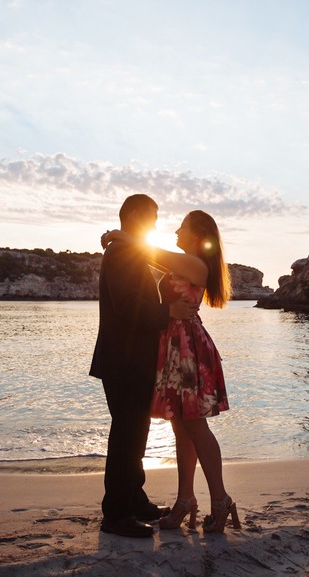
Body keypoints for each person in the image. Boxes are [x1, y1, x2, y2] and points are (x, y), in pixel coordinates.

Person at [102, 210, 240, 534]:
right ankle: (185, 498)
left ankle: (220, 500)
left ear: (197, 234)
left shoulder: (195, 264)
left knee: (196, 425)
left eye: (182, 227)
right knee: (181, 426)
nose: (176, 231)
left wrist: (123, 236)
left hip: (188, 347)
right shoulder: (184, 261)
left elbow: (152, 253)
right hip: (174, 346)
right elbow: (153, 261)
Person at [90, 194, 198, 538]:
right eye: (152, 216)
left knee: (135, 434)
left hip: (129, 359)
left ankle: (134, 502)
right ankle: (116, 514)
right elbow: (127, 305)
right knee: (126, 436)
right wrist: (170, 312)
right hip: (123, 359)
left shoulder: (129, 249)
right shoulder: (122, 252)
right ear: (137, 216)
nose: (155, 223)